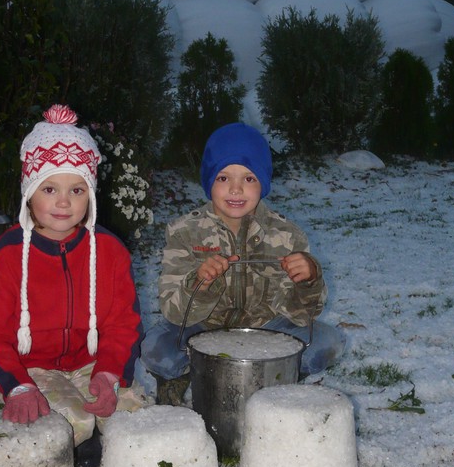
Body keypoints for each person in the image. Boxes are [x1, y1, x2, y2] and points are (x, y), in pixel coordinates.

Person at [0, 103, 143, 467]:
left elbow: (123, 324)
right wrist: (17, 384)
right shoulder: (2, 258)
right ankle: (65, 459)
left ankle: (121, 465)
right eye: (49, 188)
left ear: (91, 194)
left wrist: (110, 371)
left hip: (91, 359)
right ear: (29, 193)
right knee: (68, 422)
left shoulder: (109, 252)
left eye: (77, 190)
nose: (64, 201)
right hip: (33, 368)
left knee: (135, 413)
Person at [138, 122, 345, 403]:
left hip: (266, 329)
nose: (236, 190)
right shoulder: (185, 232)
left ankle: (280, 378)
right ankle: (179, 380)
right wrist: (201, 283)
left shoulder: (286, 235)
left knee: (326, 342)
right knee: (157, 347)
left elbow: (301, 316)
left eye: (249, 179)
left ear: (263, 182)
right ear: (209, 180)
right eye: (223, 178)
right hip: (202, 329)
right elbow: (173, 310)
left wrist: (308, 279)